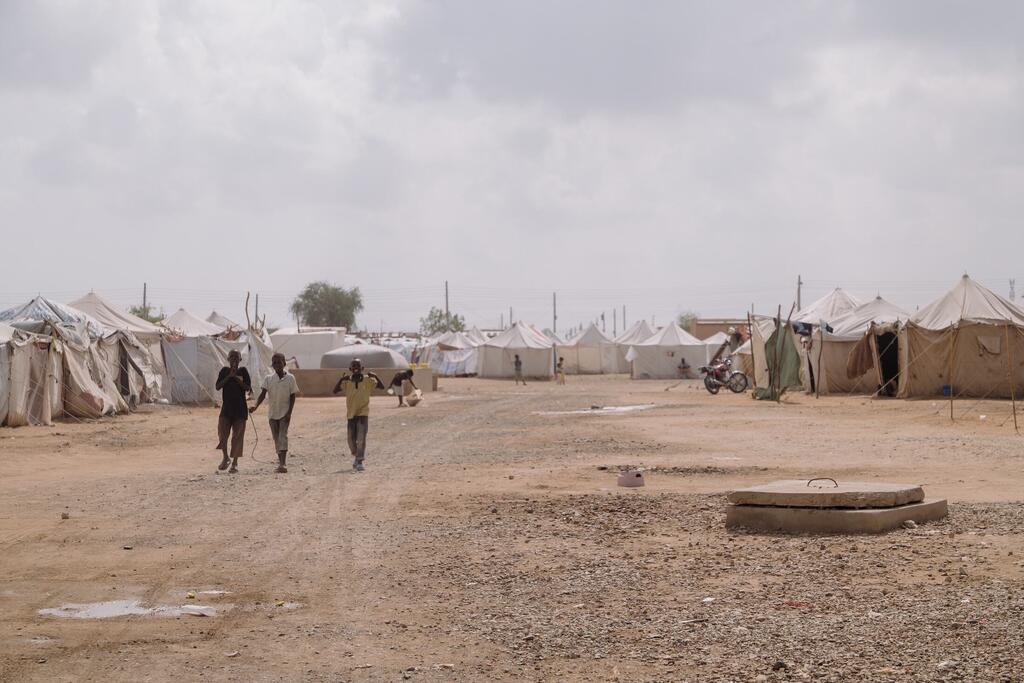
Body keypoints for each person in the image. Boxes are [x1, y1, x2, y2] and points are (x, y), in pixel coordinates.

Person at [249, 352, 299, 473]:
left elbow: (293, 396)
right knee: (276, 438)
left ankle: (283, 464)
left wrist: (289, 413)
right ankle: (280, 462)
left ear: (284, 363)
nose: (276, 364)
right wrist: (255, 406)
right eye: (274, 362)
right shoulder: (268, 379)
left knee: (283, 436)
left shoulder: (290, 378)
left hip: (284, 413)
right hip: (272, 414)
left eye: (279, 362)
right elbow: (262, 394)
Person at [332, 359, 385, 471]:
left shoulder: (367, 380)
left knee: (361, 438)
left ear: (362, 368)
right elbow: (335, 391)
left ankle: (360, 460)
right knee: (351, 439)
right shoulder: (347, 382)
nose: (356, 368)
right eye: (353, 366)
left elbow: (382, 387)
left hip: (363, 413)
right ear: (350, 369)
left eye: (358, 366)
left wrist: (375, 376)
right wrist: (342, 379)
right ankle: (356, 455)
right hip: (351, 414)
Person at [215, 350, 251, 473]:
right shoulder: (224, 371)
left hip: (240, 410)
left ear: (240, 359)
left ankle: (235, 463)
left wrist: (236, 378)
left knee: (237, 437)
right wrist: (229, 376)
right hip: (226, 410)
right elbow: (218, 386)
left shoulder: (243, 371)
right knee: (222, 435)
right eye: (232, 357)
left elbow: (247, 388)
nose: (234, 359)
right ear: (228, 359)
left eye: (237, 357)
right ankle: (225, 457)